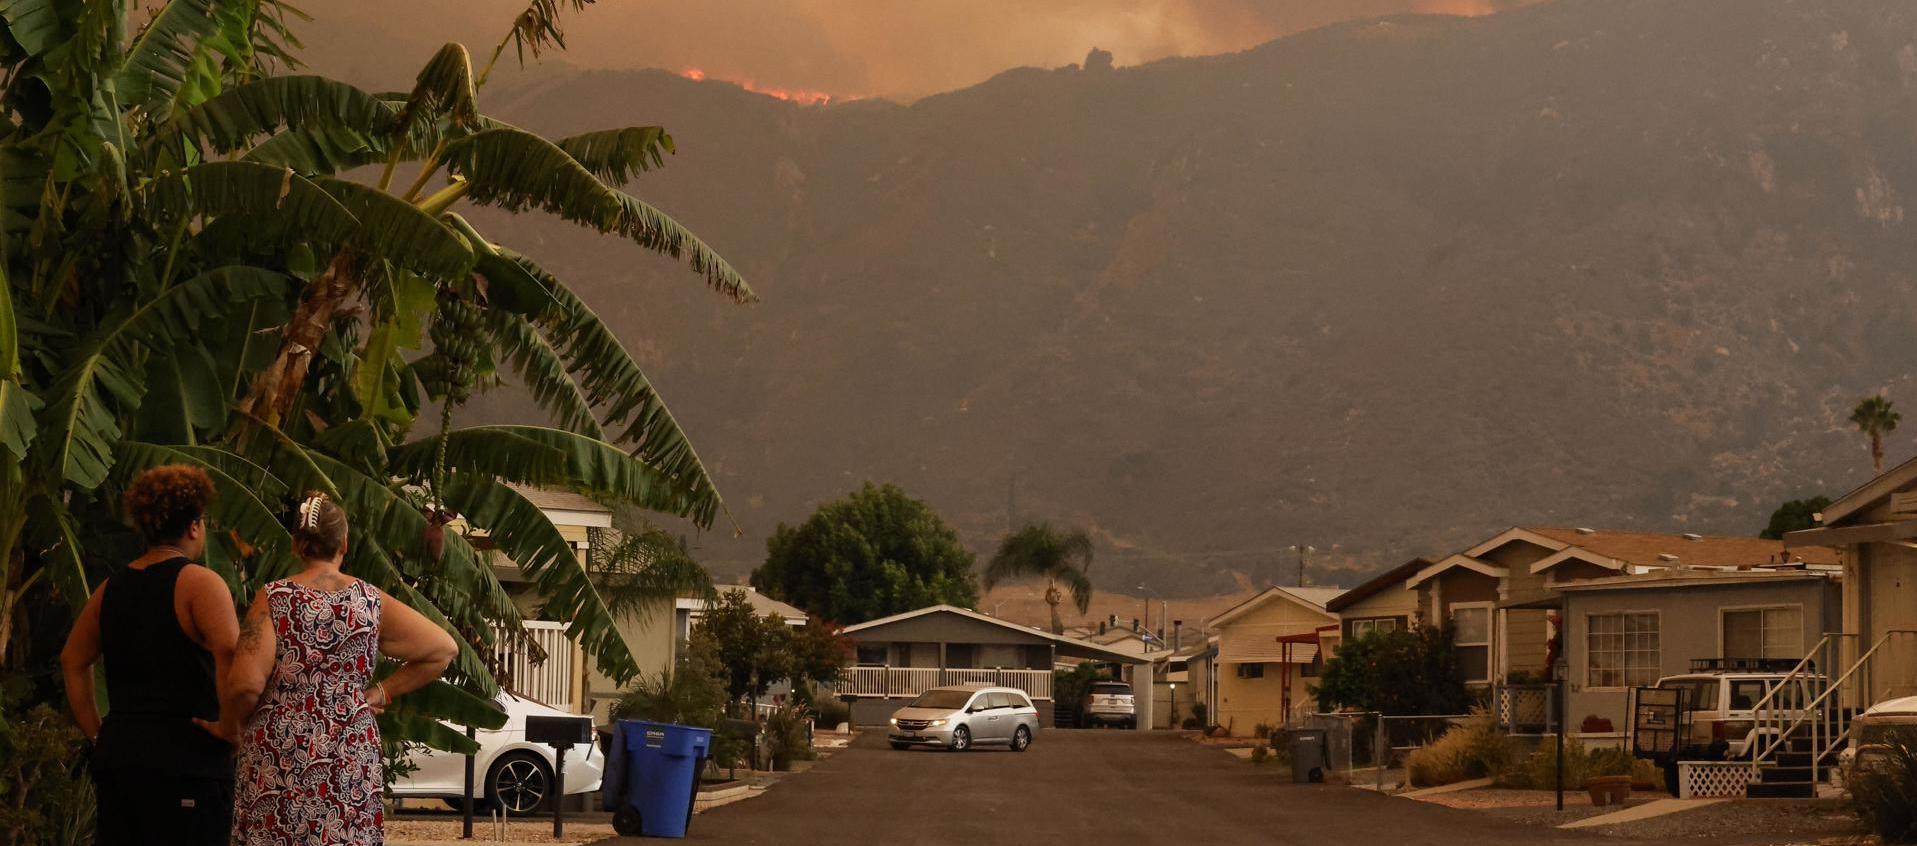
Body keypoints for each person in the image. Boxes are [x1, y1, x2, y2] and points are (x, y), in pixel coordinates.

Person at [223, 492, 457, 846]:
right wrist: (381, 692)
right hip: (349, 751)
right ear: (344, 544)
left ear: (297, 545)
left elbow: (244, 686)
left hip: (279, 750)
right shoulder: (368, 601)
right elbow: (443, 649)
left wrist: (238, 730)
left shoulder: (273, 598)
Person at [61, 464, 242, 845]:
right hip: (187, 762)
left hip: (122, 761)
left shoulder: (110, 588)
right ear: (194, 525)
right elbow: (230, 656)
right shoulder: (201, 583)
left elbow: (72, 661)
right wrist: (231, 727)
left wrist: (98, 733)